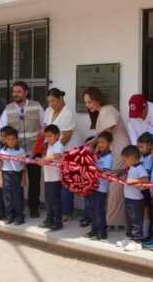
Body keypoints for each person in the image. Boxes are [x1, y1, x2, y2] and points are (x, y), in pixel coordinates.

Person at [0, 81, 45, 218]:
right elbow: (1, 131)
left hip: (34, 151)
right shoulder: (8, 108)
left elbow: (44, 127)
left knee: (34, 181)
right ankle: (18, 210)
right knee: (17, 183)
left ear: (26, 92)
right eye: (14, 92)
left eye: (18, 92)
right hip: (15, 152)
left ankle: (34, 207)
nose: (15, 94)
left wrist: (44, 147)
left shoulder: (36, 106)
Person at [83, 87, 130, 229]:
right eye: (86, 102)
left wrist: (95, 147)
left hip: (120, 150)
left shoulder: (107, 110)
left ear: (97, 100)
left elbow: (106, 134)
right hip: (112, 149)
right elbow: (102, 134)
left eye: (90, 102)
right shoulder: (102, 112)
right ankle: (110, 220)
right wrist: (93, 142)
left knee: (116, 185)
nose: (87, 105)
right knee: (110, 184)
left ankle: (114, 221)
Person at [44, 88, 80, 221]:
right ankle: (54, 211)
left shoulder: (68, 113)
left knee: (65, 183)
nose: (51, 104)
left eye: (53, 101)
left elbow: (66, 136)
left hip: (67, 152)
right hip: (53, 153)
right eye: (49, 102)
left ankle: (66, 212)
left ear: (61, 98)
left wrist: (54, 150)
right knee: (54, 184)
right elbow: (47, 130)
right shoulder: (48, 111)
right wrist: (45, 146)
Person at [118, 145, 148, 251]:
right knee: (128, 220)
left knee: (136, 221)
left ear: (131, 158)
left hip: (136, 200)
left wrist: (133, 181)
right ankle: (129, 237)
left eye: (125, 160)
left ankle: (137, 241)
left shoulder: (140, 168)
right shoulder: (132, 168)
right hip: (129, 199)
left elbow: (145, 180)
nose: (125, 162)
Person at [0, 126, 27, 226]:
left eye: (13, 139)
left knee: (17, 196)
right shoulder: (2, 150)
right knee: (7, 197)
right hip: (5, 174)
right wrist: (0, 178)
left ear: (17, 139)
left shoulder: (21, 151)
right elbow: (0, 165)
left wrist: (23, 178)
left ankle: (19, 216)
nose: (11, 141)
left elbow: (23, 165)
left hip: (16, 175)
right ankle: (9, 215)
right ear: (5, 140)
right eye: (8, 139)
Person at [86, 132, 113, 241]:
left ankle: (102, 231)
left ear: (110, 143)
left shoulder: (109, 157)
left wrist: (93, 169)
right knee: (92, 208)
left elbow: (106, 173)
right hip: (93, 186)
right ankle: (95, 228)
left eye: (103, 142)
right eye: (99, 142)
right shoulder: (97, 154)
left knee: (99, 209)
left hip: (101, 188)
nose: (100, 145)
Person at [39, 124, 65, 231]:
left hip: (55, 179)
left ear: (57, 136)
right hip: (48, 178)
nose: (48, 139)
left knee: (55, 201)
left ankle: (58, 222)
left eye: (50, 136)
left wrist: (44, 159)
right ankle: (49, 219)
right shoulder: (50, 145)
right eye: (46, 136)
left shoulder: (58, 145)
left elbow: (58, 155)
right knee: (48, 200)